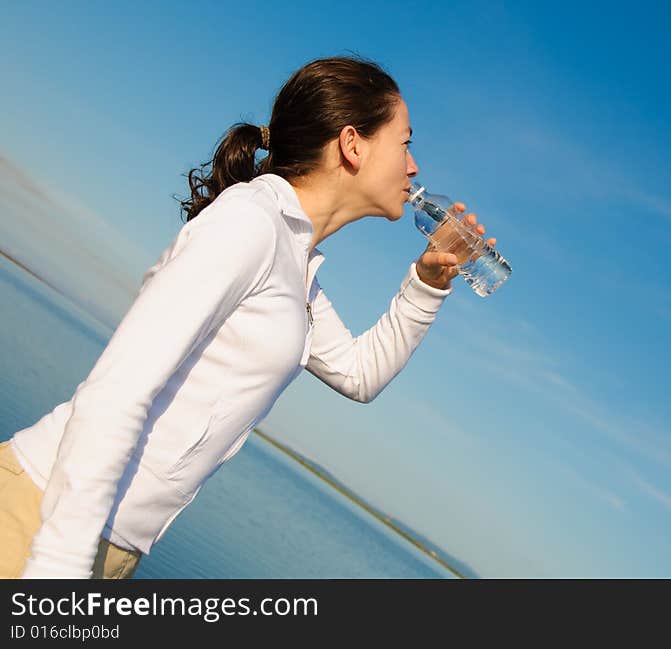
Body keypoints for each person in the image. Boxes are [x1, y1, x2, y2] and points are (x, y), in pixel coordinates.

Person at [0, 56, 495, 579]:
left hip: (103, 541)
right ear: (353, 144)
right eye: (405, 144)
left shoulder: (294, 262)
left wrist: (426, 286)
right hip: (42, 517)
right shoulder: (249, 223)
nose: (414, 167)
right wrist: (59, 568)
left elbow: (358, 373)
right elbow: (117, 391)